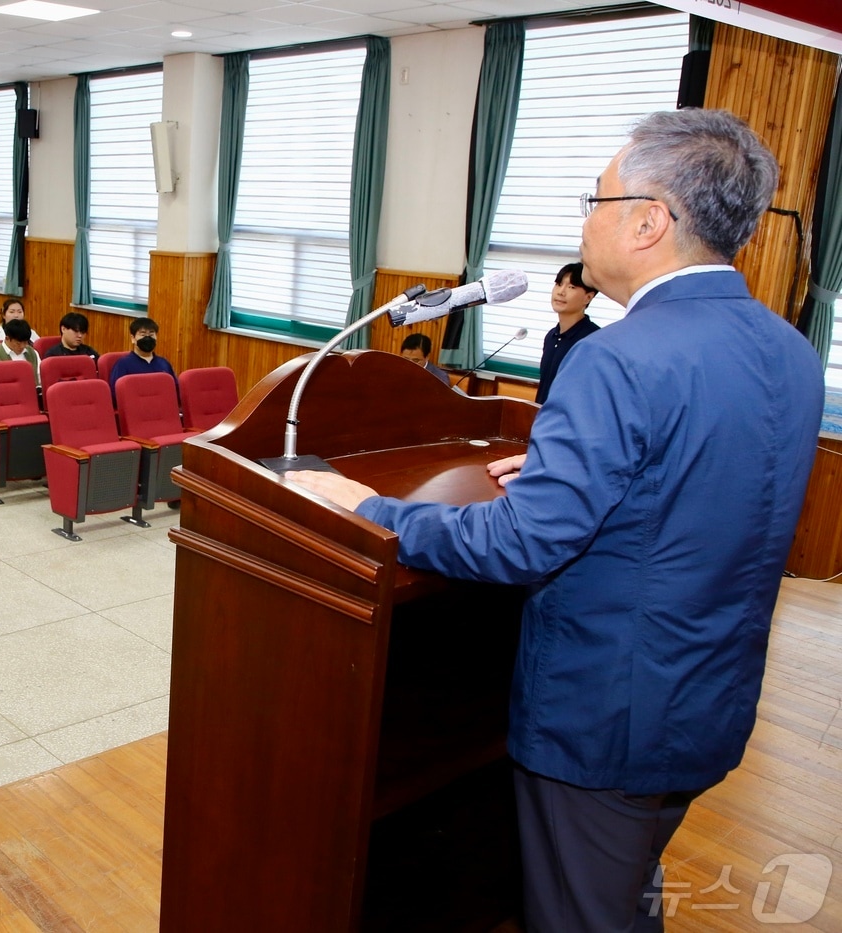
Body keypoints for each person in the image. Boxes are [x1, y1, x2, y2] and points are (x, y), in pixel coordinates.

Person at [287, 109, 824, 933]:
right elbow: (710, 484)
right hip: (708, 700)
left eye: (596, 197)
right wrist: (570, 473)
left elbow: (521, 543)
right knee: (625, 889)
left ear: (651, 221)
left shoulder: (618, 356)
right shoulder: (788, 347)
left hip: (607, 718)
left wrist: (369, 505)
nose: (585, 219)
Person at [536, 261, 600, 404]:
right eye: (558, 284)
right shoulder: (551, 336)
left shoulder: (593, 340)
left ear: (588, 297)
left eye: (571, 287)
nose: (561, 292)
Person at [109, 316, 176, 398]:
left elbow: (175, 391)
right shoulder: (123, 364)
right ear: (133, 338)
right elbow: (115, 394)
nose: (147, 338)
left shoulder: (164, 363)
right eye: (143, 334)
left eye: (151, 334)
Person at [0, 318, 41, 384]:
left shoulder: (33, 353)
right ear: (7, 338)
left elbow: (39, 379)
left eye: (25, 342)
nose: (22, 346)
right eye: (18, 343)